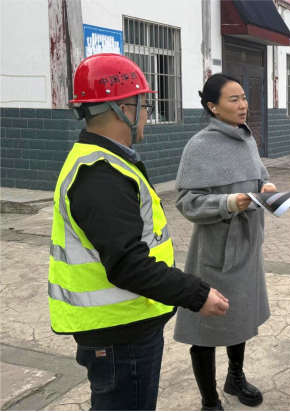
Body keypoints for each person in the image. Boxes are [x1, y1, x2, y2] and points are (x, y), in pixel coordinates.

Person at [48, 54, 229, 411]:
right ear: (122, 109)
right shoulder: (100, 174)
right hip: (119, 335)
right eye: (144, 105)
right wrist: (196, 293)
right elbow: (127, 264)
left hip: (125, 324)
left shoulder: (106, 162)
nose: (147, 114)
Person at [173, 73, 276, 411]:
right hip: (214, 252)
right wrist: (229, 203)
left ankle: (235, 377)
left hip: (247, 246)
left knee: (239, 316)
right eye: (234, 99)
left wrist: (266, 189)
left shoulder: (247, 138)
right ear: (213, 107)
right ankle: (209, 400)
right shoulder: (199, 146)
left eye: (244, 97)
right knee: (205, 327)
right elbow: (187, 203)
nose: (243, 104)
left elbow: (260, 178)